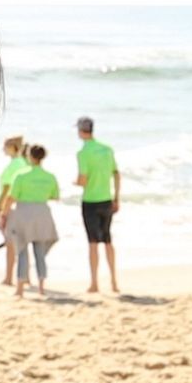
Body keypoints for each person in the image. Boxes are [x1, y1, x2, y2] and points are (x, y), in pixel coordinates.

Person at [3, 144, 60, 300]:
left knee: (21, 250)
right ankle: (42, 288)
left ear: (29, 156)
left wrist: (4, 214)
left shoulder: (21, 175)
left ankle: (20, 289)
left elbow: (11, 197)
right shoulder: (50, 176)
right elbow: (55, 196)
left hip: (23, 212)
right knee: (40, 252)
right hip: (43, 212)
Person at [74, 116, 121, 293]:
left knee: (93, 243)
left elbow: (83, 180)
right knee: (108, 240)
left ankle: (94, 283)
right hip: (107, 199)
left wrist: (76, 183)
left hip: (91, 201)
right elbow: (116, 174)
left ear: (80, 131)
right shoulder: (107, 149)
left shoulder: (83, 153)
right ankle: (114, 282)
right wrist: (117, 197)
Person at [0, 134, 28, 284]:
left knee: (10, 243)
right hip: (21, 205)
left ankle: (8, 278)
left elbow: (6, 188)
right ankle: (25, 277)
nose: (3, 149)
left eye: (5, 146)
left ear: (12, 148)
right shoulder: (24, 163)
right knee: (21, 243)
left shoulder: (14, 165)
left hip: (9, 207)